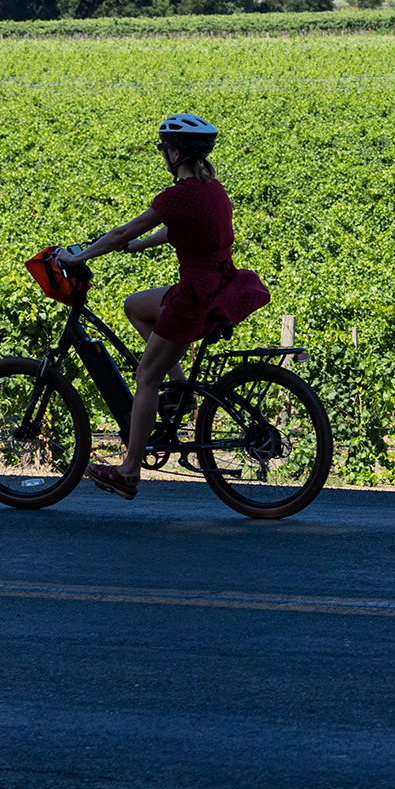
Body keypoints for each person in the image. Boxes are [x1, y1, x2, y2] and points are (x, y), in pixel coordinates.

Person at [62, 114, 270, 500]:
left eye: (164, 149)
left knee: (144, 377)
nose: (163, 154)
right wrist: (140, 247)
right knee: (135, 306)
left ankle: (128, 471)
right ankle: (181, 387)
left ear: (175, 152)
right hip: (218, 283)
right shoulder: (212, 189)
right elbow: (177, 229)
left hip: (194, 296)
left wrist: (79, 258)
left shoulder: (178, 195)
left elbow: (124, 230)